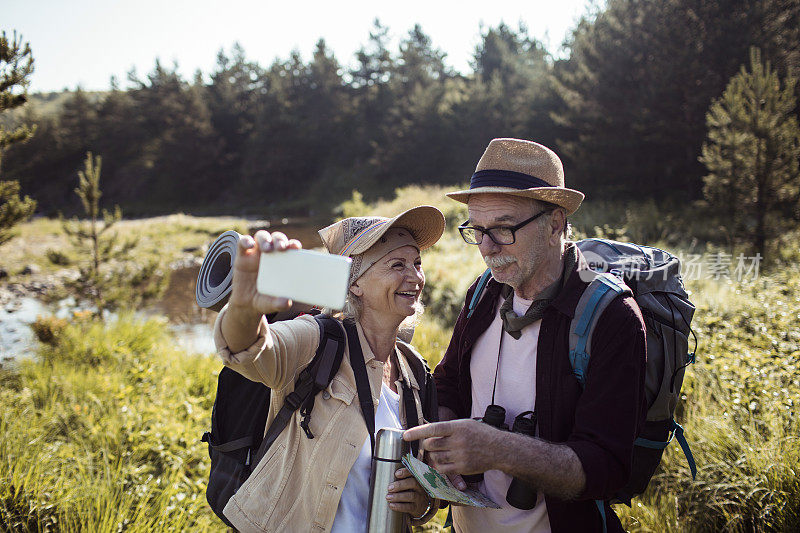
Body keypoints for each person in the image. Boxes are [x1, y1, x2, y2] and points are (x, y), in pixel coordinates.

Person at [404, 138, 647, 532]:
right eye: (477, 230)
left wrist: (499, 449)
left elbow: (608, 466)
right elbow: (448, 386)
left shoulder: (611, 318)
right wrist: (442, 449)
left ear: (555, 224)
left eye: (502, 229)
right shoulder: (484, 292)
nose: (485, 248)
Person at [213, 206, 445, 532]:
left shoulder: (414, 371)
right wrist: (244, 309)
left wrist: (422, 505)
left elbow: (425, 489)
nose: (416, 277)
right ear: (355, 285)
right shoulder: (318, 340)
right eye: (397, 265)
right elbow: (247, 350)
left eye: (417, 263)